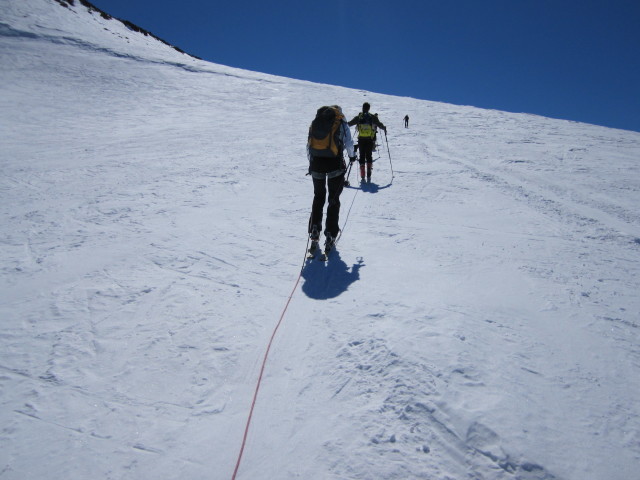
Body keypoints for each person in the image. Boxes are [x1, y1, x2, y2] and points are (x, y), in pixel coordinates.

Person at [307, 105, 356, 254]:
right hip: (335, 165)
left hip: (316, 165)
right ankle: (330, 234)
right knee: (333, 199)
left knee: (318, 197)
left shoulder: (316, 122)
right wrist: (352, 156)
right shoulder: (340, 122)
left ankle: (315, 228)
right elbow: (348, 142)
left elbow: (308, 145)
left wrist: (312, 164)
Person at [348, 102, 386, 182]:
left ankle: (362, 175)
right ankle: (369, 172)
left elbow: (349, 124)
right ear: (369, 108)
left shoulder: (359, 117)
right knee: (369, 155)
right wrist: (384, 128)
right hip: (369, 139)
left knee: (362, 155)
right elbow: (379, 124)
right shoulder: (372, 117)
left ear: (362, 108)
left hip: (361, 139)